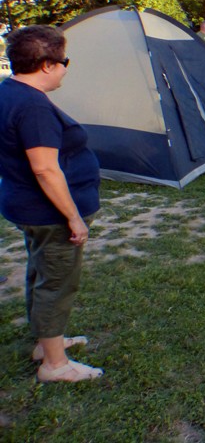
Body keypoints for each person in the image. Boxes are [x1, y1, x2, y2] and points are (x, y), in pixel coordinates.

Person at [0, 25, 103, 382]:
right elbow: (45, 169)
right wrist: (73, 217)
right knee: (57, 282)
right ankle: (54, 365)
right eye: (64, 61)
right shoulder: (33, 107)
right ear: (46, 64)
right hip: (48, 213)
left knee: (41, 273)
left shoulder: (8, 91)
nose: (65, 68)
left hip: (24, 206)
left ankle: (47, 344)